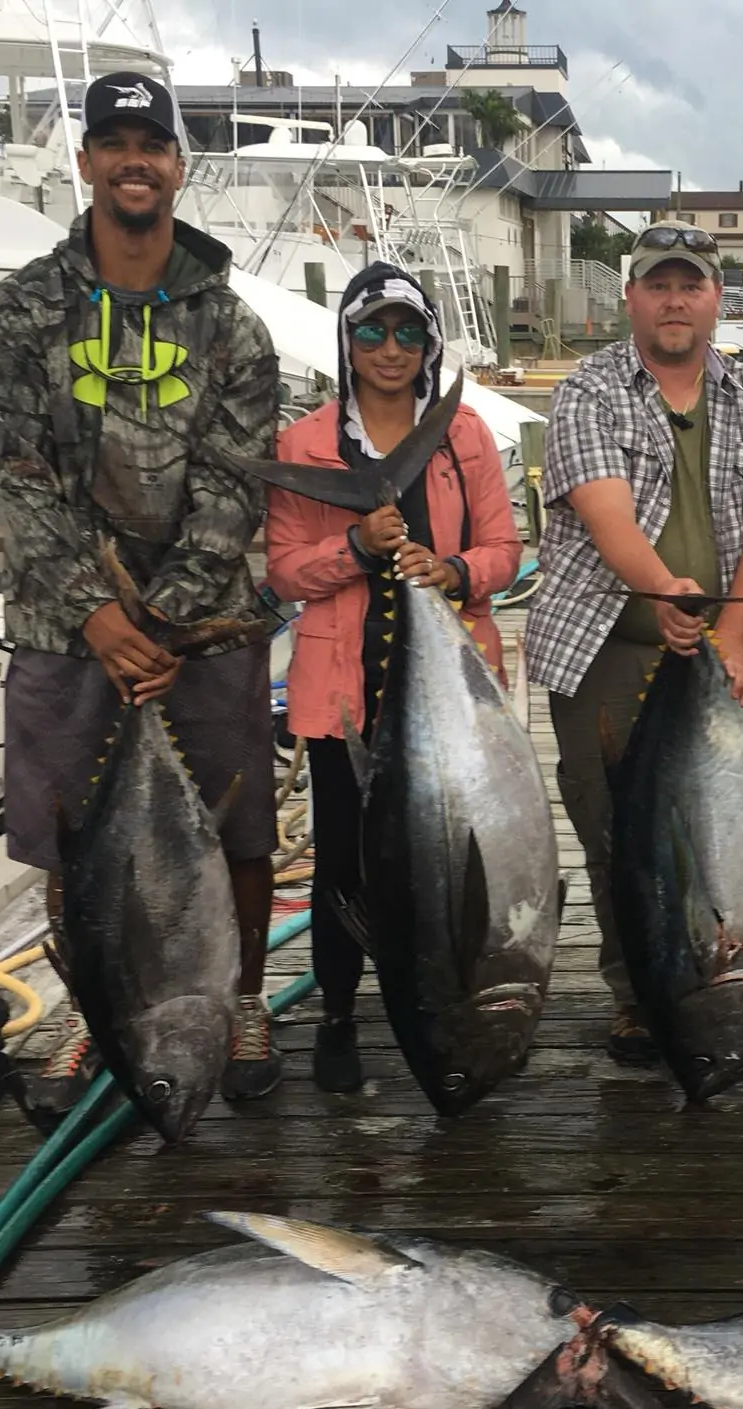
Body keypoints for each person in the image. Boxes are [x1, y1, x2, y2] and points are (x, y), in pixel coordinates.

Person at [0, 71, 282, 1114]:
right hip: (65, 633)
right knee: (70, 836)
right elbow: (16, 475)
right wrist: (97, 617)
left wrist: (160, 621)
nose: (134, 157)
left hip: (202, 629)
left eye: (153, 141)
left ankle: (239, 1002)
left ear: (178, 167)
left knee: (239, 830)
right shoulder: (19, 310)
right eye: (115, 141)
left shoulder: (234, 326)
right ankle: (93, 1008)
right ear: (86, 163)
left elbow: (234, 485)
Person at [527, 220, 743, 1065]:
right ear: (632, 298)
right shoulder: (587, 389)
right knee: (619, 828)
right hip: (611, 644)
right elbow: (605, 509)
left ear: (716, 297)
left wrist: (726, 634)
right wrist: (662, 589)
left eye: (690, 283)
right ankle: (636, 994)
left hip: (736, 642)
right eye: (658, 283)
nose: (675, 298)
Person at [263, 262, 523, 1093]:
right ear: (347, 339)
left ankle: (448, 991)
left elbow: (504, 552)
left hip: (451, 687)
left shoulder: (466, 434)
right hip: (344, 695)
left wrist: (451, 573)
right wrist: (356, 548)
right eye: (371, 329)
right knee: (342, 863)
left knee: (452, 857)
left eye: (408, 331)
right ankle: (338, 1013)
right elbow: (282, 573)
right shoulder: (303, 445)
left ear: (430, 343)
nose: (390, 347)